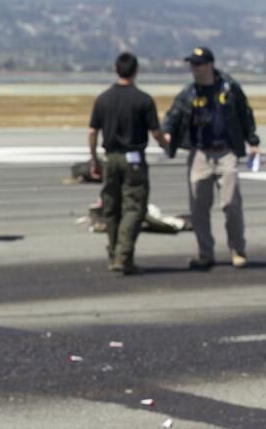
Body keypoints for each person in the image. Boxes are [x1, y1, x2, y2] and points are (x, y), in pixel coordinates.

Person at [163, 46, 259, 269]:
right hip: (200, 153)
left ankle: (238, 249)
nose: (194, 69)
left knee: (231, 204)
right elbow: (173, 114)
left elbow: (245, 114)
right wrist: (167, 133)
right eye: (192, 65)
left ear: (209, 65)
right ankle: (205, 252)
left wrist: (252, 141)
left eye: (198, 64)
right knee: (198, 206)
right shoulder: (189, 93)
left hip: (225, 151)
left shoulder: (230, 88)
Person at [87, 52, 167, 275]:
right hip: (133, 158)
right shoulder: (143, 99)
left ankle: (115, 254)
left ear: (116, 69)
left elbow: (92, 132)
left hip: (110, 158)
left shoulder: (103, 98)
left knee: (111, 208)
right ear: (136, 71)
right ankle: (123, 255)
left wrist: (94, 159)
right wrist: (165, 144)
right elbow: (155, 131)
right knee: (134, 207)